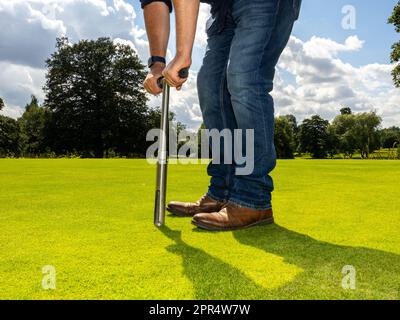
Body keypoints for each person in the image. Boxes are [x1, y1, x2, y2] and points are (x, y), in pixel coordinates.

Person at [141, 0, 302, 231]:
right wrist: (156, 64)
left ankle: (252, 198)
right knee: (210, 86)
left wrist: (183, 53)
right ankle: (221, 191)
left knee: (244, 79)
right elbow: (155, 1)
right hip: (224, 8)